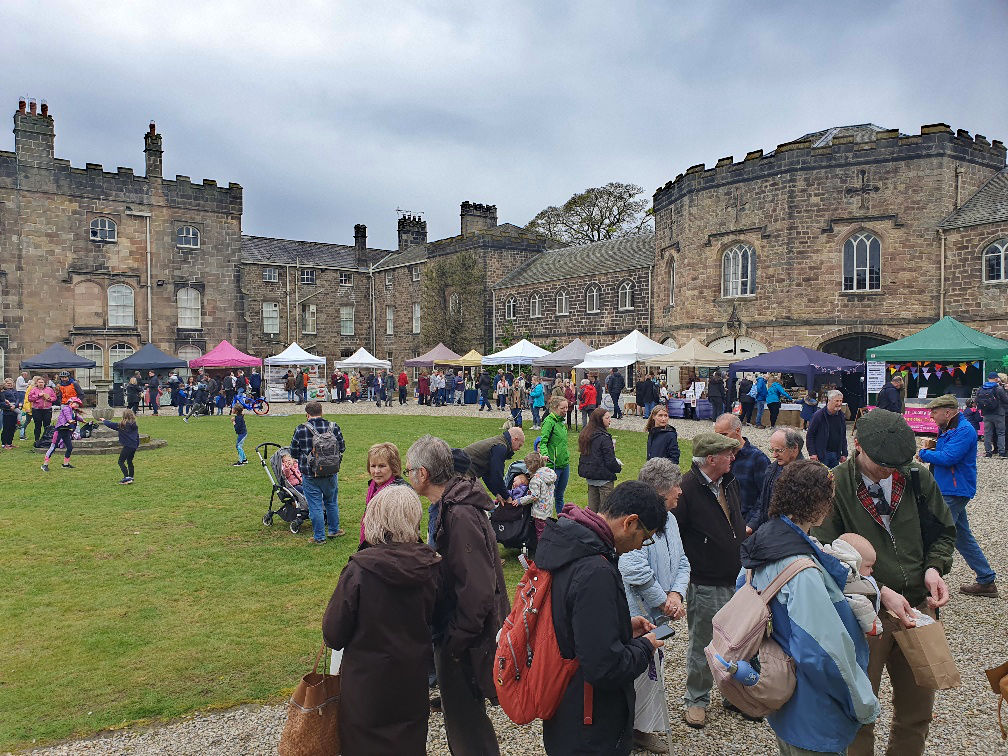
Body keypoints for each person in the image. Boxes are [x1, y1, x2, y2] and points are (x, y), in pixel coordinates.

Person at [813, 408, 956, 756]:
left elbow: (943, 532)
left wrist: (934, 568)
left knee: (918, 711)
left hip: (917, 612)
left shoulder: (919, 478)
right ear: (857, 444)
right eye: (882, 464)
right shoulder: (833, 486)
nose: (891, 470)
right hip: (864, 615)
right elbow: (825, 555)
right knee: (860, 710)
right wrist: (878, 589)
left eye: (897, 463)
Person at [741, 460, 880, 755]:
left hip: (785, 696)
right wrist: (862, 702)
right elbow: (824, 652)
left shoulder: (765, 545)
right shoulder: (801, 570)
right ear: (820, 505)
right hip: (815, 710)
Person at [537, 481, 666, 755]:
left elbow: (574, 623)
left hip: (564, 703)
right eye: (645, 538)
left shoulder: (571, 544)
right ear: (630, 522)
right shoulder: (596, 569)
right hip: (589, 721)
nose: (640, 547)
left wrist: (621, 626)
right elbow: (604, 668)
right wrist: (646, 646)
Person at [405, 435, 509, 756]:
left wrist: (456, 640)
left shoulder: (459, 514)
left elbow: (477, 587)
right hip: (458, 631)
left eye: (409, 470)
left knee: (468, 726)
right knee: (463, 718)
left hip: (464, 638)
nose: (407, 476)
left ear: (423, 474)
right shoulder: (449, 506)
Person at [322, 485, 441, 756]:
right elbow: (439, 618)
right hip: (410, 682)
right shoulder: (431, 567)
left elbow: (333, 633)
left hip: (367, 687)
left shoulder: (360, 571)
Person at [675, 432, 745, 728]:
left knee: (738, 641)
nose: (733, 457)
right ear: (711, 458)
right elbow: (675, 536)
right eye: (728, 453)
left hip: (738, 578)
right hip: (705, 581)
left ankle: (733, 694)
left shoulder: (728, 481)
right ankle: (697, 699)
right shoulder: (687, 489)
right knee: (704, 643)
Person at [620, 459, 690, 754]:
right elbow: (632, 568)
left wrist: (676, 594)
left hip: (662, 611)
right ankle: (627, 729)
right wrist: (663, 600)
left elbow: (683, 562)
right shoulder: (637, 522)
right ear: (661, 490)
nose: (680, 492)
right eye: (677, 486)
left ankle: (641, 728)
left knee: (652, 671)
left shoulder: (671, 521)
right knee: (637, 670)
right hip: (637, 614)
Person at [917, 394, 996, 597]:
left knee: (938, 534)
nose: (932, 416)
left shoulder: (964, 430)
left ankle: (927, 583)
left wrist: (924, 454)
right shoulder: (950, 427)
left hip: (954, 490)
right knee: (961, 537)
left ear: (948, 412)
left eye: (934, 412)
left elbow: (950, 457)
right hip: (951, 489)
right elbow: (947, 452)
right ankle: (986, 580)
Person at [290, 400, 346, 543]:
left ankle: (319, 537)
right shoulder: (333, 426)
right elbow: (342, 447)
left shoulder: (301, 429)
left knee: (315, 505)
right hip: (331, 471)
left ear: (307, 415)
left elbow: (294, 452)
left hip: (310, 474)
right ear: (322, 412)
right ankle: (334, 529)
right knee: (331, 502)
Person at [714, 412, 769, 537]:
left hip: (746, 525)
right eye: (717, 435)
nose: (720, 439)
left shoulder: (758, 459)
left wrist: (751, 525)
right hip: (721, 523)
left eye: (724, 434)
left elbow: (766, 496)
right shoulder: (718, 455)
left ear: (737, 431)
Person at [819, 533, 884, 637]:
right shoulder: (851, 586)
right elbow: (863, 608)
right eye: (868, 566)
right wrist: (876, 629)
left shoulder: (823, 566)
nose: (871, 570)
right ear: (855, 561)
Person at [751, 428, 805, 533]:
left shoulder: (806, 476)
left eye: (779, 450)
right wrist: (752, 525)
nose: (774, 455)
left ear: (794, 448)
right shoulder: (771, 469)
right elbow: (762, 503)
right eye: (772, 450)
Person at [359, 442, 407, 544]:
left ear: (393, 467)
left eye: (382, 466)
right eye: (373, 466)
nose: (376, 471)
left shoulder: (399, 493)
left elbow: (402, 531)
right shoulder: (373, 486)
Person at [462, 427, 525, 504]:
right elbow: (497, 475)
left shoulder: (498, 442)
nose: (519, 449)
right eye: (520, 445)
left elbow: (487, 474)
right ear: (515, 439)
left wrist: (497, 494)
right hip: (461, 474)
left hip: (462, 472)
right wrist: (507, 497)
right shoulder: (500, 447)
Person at [578, 407, 622, 512]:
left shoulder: (586, 434)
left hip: (591, 476)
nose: (610, 420)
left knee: (592, 512)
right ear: (599, 420)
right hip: (603, 478)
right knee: (605, 512)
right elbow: (610, 460)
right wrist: (618, 468)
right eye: (607, 418)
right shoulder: (604, 437)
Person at [518, 450, 557, 551]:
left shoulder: (535, 479)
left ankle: (542, 551)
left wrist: (520, 501)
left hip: (539, 512)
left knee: (540, 533)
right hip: (548, 509)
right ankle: (549, 548)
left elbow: (534, 496)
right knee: (547, 530)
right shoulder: (548, 474)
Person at [539, 394, 570, 514]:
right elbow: (543, 442)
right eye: (563, 408)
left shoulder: (561, 422)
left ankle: (561, 521)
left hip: (564, 463)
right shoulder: (549, 422)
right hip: (553, 465)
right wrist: (545, 455)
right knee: (549, 496)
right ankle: (546, 521)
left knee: (560, 496)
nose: (565, 410)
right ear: (555, 408)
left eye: (567, 407)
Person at [807, 389, 849, 468]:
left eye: (841, 401)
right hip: (822, 454)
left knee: (833, 478)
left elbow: (843, 436)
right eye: (836, 401)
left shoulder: (841, 416)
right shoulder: (818, 416)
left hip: (836, 454)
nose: (839, 403)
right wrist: (812, 453)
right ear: (829, 400)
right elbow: (810, 435)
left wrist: (844, 453)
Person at [42, 396, 85, 471]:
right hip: (59, 430)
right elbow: (67, 415)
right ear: (70, 403)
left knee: (69, 447)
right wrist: (69, 420)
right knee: (53, 447)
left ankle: (66, 464)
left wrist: (82, 420)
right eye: (76, 403)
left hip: (66, 431)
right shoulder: (66, 408)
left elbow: (75, 417)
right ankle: (45, 465)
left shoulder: (73, 411)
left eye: (78, 404)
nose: (77, 405)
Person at [101, 409, 140, 484]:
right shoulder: (134, 425)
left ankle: (127, 478)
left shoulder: (121, 425)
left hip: (127, 446)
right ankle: (131, 477)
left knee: (121, 461)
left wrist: (104, 420)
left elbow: (111, 424)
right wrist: (136, 445)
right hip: (133, 446)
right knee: (129, 461)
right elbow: (137, 436)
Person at [975, 371, 1007, 457]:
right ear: (997, 379)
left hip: (986, 414)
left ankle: (988, 452)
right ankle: (1001, 452)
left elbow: (976, 400)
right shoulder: (999, 388)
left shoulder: (981, 388)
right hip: (998, 414)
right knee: (1000, 433)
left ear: (988, 378)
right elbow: (1006, 400)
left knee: (987, 433)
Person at [27, 376, 56, 444]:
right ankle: (37, 439)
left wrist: (49, 399)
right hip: (37, 410)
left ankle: (46, 439)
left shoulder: (49, 389)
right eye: (39, 382)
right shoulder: (33, 389)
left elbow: (54, 397)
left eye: (42, 382)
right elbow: (30, 398)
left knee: (47, 425)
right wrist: (38, 395)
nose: (41, 384)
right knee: (37, 425)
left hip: (47, 409)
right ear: (37, 383)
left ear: (44, 383)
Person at [0, 378, 20, 448]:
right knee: (6, 428)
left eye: (11, 383)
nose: (10, 384)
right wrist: (9, 407)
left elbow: (18, 399)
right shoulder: (2, 392)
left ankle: (9, 443)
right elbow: (1, 402)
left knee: (13, 428)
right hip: (7, 412)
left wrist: (15, 406)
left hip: (14, 410)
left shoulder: (15, 391)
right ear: (4, 384)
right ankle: (4, 444)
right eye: (8, 383)